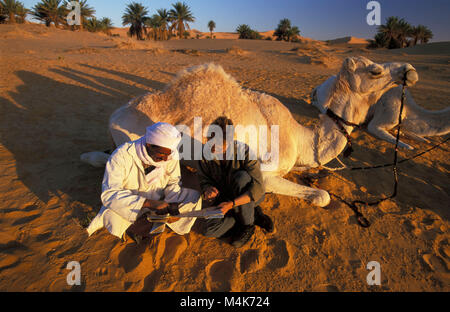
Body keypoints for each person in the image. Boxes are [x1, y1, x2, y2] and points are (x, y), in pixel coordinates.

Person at [86, 122, 202, 242]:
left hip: (159, 199)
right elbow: (109, 194)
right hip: (131, 201)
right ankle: (141, 226)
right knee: (113, 215)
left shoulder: (171, 156)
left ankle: (157, 222)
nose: (166, 159)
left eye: (169, 154)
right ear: (149, 145)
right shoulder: (122, 155)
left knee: (193, 197)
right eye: (162, 153)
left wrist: (172, 207)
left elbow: (173, 182)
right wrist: (148, 203)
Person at [197, 116, 274, 248]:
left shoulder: (244, 152)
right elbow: (204, 179)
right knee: (209, 230)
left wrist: (232, 204)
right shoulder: (205, 153)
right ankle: (252, 215)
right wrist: (208, 188)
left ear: (230, 142)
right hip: (225, 198)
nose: (213, 149)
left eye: (219, 145)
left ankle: (247, 225)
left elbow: (259, 187)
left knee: (241, 177)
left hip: (247, 196)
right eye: (210, 142)